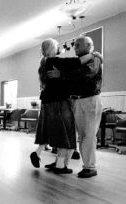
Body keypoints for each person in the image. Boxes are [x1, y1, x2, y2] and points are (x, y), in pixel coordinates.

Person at [30, 38, 96, 174]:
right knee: (66, 132)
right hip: (59, 102)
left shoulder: (44, 63)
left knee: (52, 131)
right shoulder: (54, 61)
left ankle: (39, 154)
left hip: (48, 102)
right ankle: (60, 166)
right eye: (57, 46)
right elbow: (77, 62)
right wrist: (94, 55)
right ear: (52, 49)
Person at [46, 36, 103, 178]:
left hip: (89, 101)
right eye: (75, 45)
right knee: (70, 134)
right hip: (75, 101)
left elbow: (84, 75)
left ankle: (89, 167)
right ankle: (61, 163)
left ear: (89, 46)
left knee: (87, 136)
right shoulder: (79, 61)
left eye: (78, 45)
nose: (75, 47)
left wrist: (61, 74)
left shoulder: (94, 59)